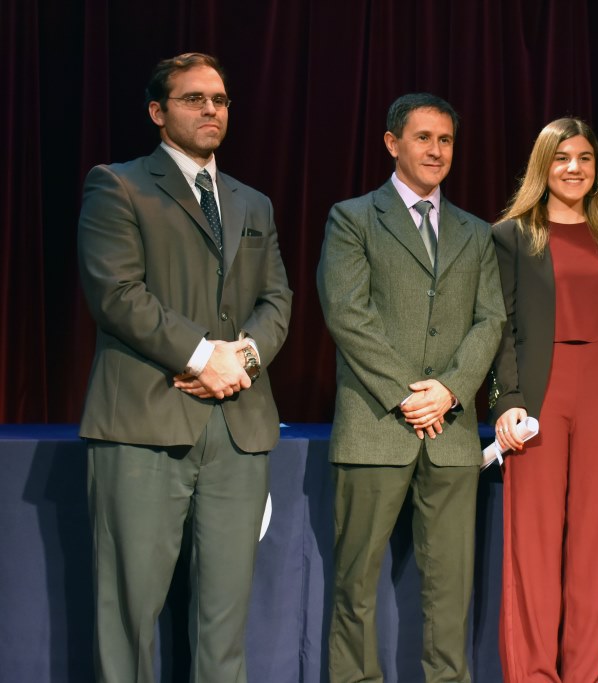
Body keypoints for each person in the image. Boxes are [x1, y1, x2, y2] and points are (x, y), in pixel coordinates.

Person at [77, 52, 292, 682]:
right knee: (129, 618)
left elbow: (276, 301)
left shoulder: (254, 203)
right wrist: (205, 355)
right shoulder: (117, 185)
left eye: (220, 100)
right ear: (157, 112)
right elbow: (117, 293)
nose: (210, 110)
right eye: (194, 98)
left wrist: (242, 358)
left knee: (224, 623)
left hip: (238, 429)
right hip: (144, 423)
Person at [316, 92, 504, 683]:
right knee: (355, 584)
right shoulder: (352, 218)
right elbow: (347, 312)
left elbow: (490, 319)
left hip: (449, 434)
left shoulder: (476, 232)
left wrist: (448, 391)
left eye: (445, 140)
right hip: (374, 426)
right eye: (423, 138)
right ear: (392, 143)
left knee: (451, 588)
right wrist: (407, 393)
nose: (436, 150)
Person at [491, 117, 598, 683]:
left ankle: (585, 673)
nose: (574, 168)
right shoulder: (511, 235)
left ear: (597, 170)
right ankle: (533, 674)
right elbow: (498, 327)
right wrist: (507, 399)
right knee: (535, 541)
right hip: (541, 393)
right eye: (561, 158)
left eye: (585, 158)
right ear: (542, 166)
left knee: (597, 539)